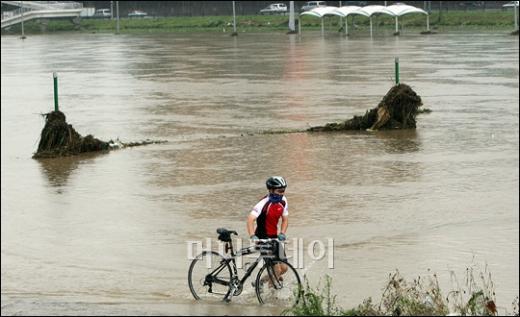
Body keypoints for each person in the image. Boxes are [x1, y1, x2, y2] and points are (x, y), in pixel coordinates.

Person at [247, 176, 289, 287]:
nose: (281, 194)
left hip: (274, 239)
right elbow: (250, 219)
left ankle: (260, 282)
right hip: (262, 239)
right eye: (279, 191)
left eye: (283, 191)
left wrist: (283, 233)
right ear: (270, 190)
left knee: (284, 268)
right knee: (276, 270)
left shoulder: (283, 201)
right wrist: (252, 236)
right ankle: (272, 298)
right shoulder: (263, 203)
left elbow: (285, 219)